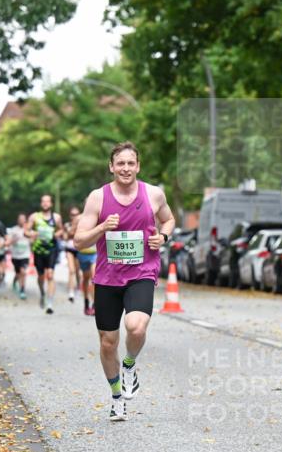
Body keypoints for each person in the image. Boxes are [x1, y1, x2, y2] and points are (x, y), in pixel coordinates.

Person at [74, 141, 175, 422]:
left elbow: (169, 220)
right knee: (108, 343)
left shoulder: (154, 194)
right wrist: (102, 227)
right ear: (111, 167)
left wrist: (164, 237)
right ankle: (117, 397)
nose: (126, 168)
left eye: (131, 163)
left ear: (138, 166)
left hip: (142, 271)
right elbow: (79, 240)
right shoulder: (97, 198)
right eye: (121, 163)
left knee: (136, 326)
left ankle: (129, 364)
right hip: (107, 277)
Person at [29, 194, 63, 314]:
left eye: (47, 202)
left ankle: (49, 303)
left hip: (51, 249)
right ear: (41, 203)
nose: (45, 204)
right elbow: (26, 231)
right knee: (41, 276)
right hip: (38, 250)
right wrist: (31, 234)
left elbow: (61, 229)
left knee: (50, 275)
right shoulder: (34, 217)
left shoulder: (56, 217)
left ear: (51, 204)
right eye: (43, 201)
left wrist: (56, 234)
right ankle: (42, 293)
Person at [6, 212, 33, 299]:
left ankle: (22, 290)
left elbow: (33, 241)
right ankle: (15, 281)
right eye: (20, 219)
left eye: (23, 219)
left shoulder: (29, 230)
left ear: (25, 220)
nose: (22, 221)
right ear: (18, 220)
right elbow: (8, 242)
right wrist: (15, 239)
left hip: (25, 255)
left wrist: (32, 239)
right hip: (15, 256)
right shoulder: (13, 230)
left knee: (23, 272)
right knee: (18, 273)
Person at [63, 206, 84, 304]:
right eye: (72, 215)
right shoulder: (67, 225)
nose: (74, 216)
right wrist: (70, 231)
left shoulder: (83, 225)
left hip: (79, 249)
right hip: (69, 249)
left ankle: (79, 287)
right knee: (71, 270)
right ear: (70, 216)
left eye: (76, 214)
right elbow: (65, 237)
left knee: (77, 270)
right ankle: (71, 292)